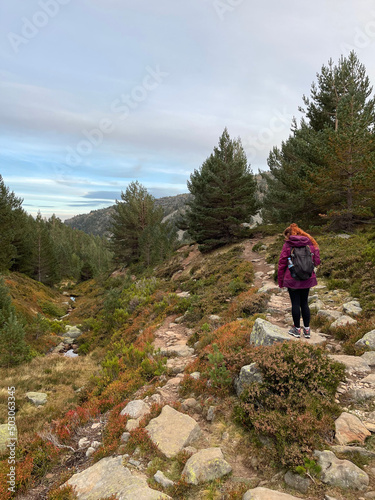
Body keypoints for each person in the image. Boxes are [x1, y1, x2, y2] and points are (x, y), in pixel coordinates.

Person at [278, 223, 321, 339]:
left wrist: (280, 281)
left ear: (289, 234)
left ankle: (297, 329)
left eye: (286, 236)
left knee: (295, 304)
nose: (286, 238)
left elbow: (282, 263)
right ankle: (307, 330)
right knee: (304, 303)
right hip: (307, 278)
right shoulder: (310, 242)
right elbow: (317, 261)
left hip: (292, 279)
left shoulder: (288, 245)